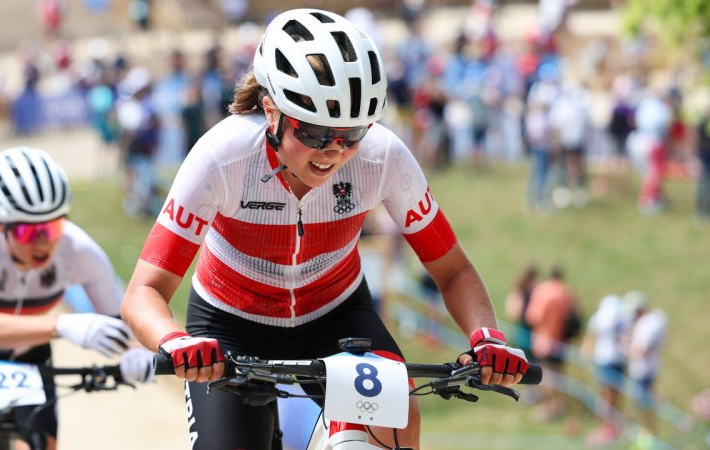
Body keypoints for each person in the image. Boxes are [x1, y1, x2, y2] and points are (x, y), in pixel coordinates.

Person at [120, 9, 529, 450]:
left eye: (351, 133)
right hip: (230, 325)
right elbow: (144, 291)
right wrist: (175, 341)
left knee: (392, 422)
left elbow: (453, 270)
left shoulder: (382, 157)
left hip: (336, 316)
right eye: (313, 131)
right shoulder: (222, 157)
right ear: (271, 109)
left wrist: (487, 337)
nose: (333, 151)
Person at [0, 147, 154, 450]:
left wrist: (135, 352)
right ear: (0, 224)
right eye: (29, 231)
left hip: (26, 357)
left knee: (39, 445)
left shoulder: (80, 251)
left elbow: (124, 320)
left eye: (52, 227)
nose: (43, 242)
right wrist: (62, 325)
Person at [525, 264, 578, 421]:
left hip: (544, 340)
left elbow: (533, 316)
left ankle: (548, 407)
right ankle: (559, 404)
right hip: (561, 341)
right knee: (559, 374)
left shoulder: (542, 291)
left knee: (545, 375)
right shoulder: (566, 291)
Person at [581, 294, 629, 445]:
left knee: (607, 396)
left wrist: (585, 354)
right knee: (614, 396)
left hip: (605, 360)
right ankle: (612, 428)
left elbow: (591, 337)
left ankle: (608, 429)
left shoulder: (600, 316)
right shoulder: (623, 316)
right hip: (619, 360)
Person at [624, 291, 667, 437]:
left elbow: (641, 350)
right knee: (640, 404)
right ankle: (645, 434)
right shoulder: (647, 322)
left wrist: (625, 347)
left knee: (646, 404)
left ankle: (649, 435)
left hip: (645, 370)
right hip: (641, 369)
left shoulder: (651, 322)